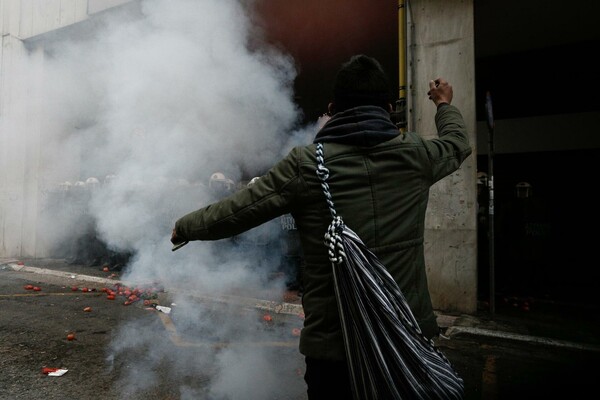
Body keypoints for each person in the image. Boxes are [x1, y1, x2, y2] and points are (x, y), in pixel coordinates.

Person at [171, 54, 472, 399]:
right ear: (389, 108)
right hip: (405, 341)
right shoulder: (419, 154)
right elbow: (457, 143)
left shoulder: (305, 165)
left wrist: (185, 226)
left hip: (334, 346)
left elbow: (236, 211)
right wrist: (444, 104)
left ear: (332, 108)